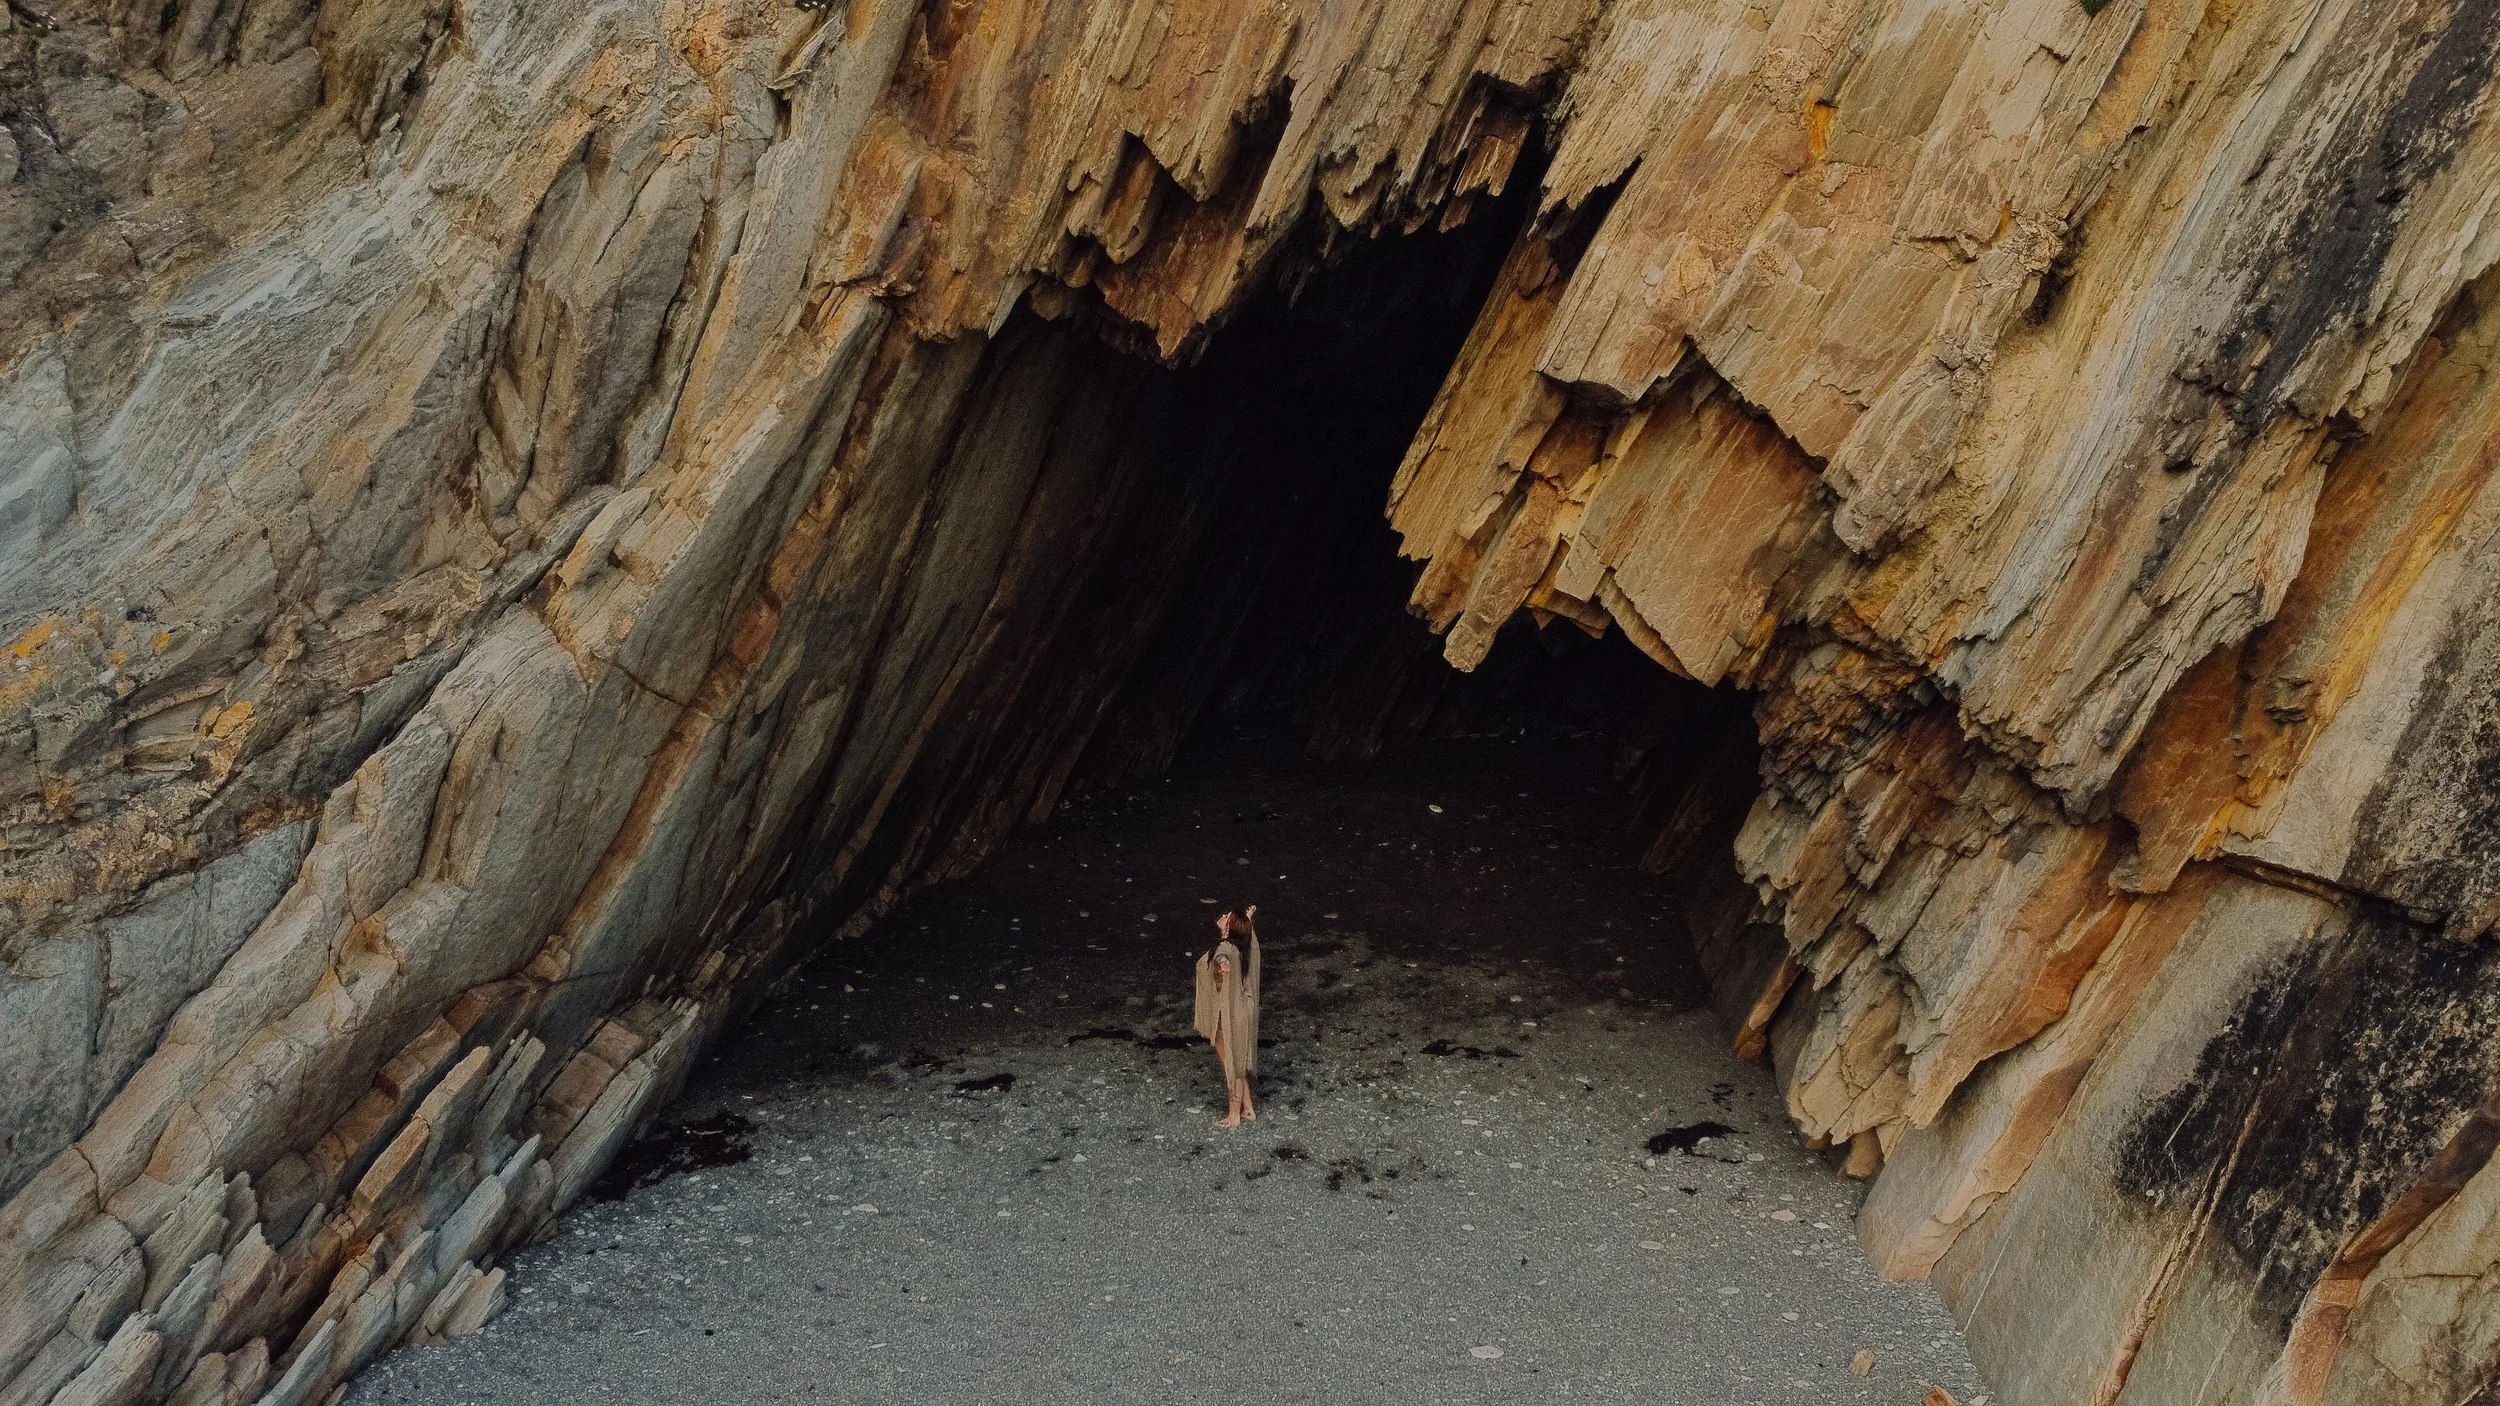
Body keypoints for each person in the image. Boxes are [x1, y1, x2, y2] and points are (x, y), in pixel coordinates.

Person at [1192, 906, 1261, 1128]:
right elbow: (1246, 943)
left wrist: (1222, 963)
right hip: (1242, 1009)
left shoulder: (1226, 947)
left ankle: (1233, 1116)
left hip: (1234, 1012)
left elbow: (1222, 956)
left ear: (1229, 927)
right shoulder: (1242, 944)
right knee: (1236, 1061)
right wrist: (1247, 922)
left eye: (1227, 917)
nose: (1222, 916)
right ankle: (1248, 1109)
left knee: (1232, 1064)